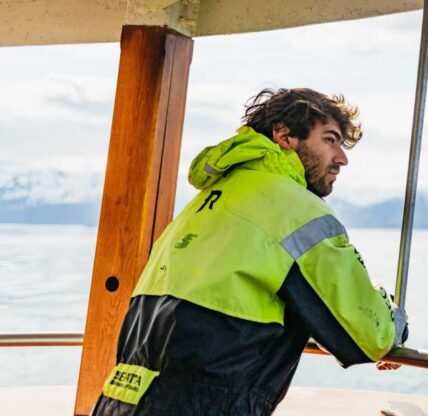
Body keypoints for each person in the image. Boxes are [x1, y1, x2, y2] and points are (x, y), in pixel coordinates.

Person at [91, 88, 409, 416]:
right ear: (285, 135)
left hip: (119, 403)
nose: (342, 158)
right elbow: (367, 336)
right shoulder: (297, 211)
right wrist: (395, 320)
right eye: (330, 140)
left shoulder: (209, 201)